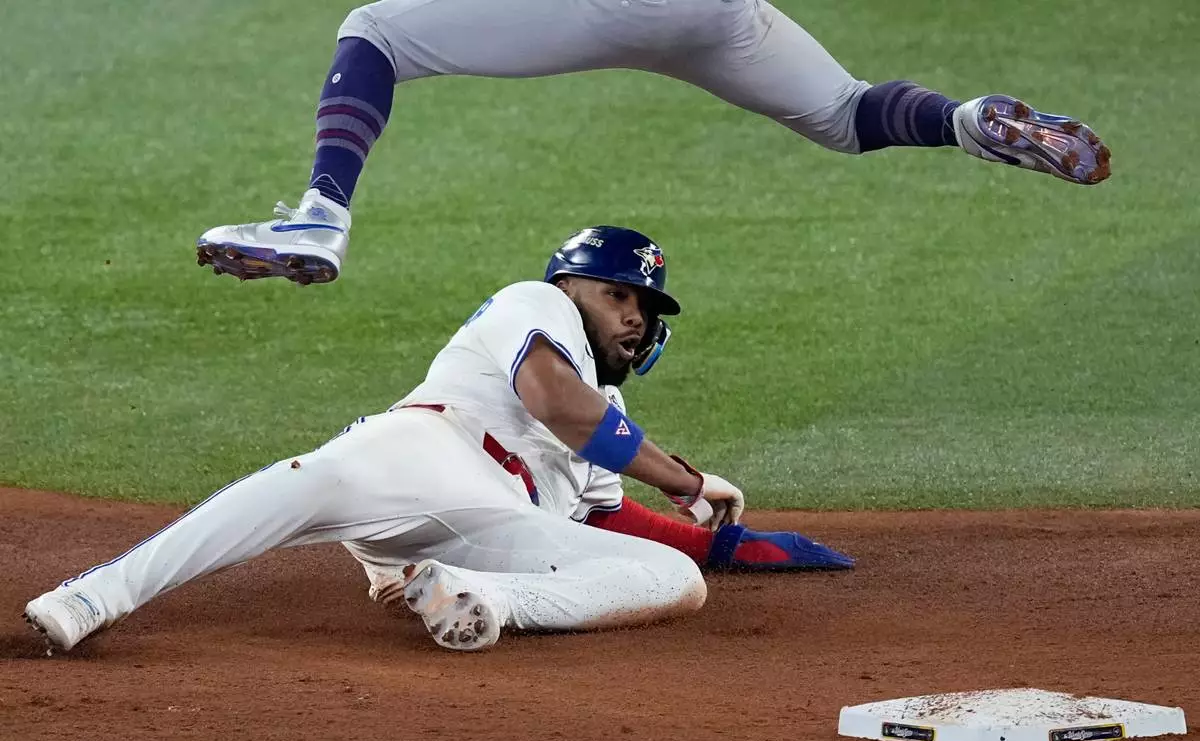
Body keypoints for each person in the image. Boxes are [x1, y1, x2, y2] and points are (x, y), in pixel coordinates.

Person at [28, 226, 852, 655]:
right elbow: (556, 405)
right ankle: (93, 596)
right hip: (422, 458)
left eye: (647, 306)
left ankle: (479, 600)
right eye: (619, 294)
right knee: (299, 488)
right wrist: (683, 475)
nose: (635, 315)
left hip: (488, 530)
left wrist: (726, 547)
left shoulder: (605, 403)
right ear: (572, 287)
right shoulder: (536, 304)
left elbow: (603, 524)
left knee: (673, 583)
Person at [195, 0, 1112, 286]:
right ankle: (965, 122)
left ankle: (320, 215)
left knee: (379, 32)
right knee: (842, 110)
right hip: (718, 11)